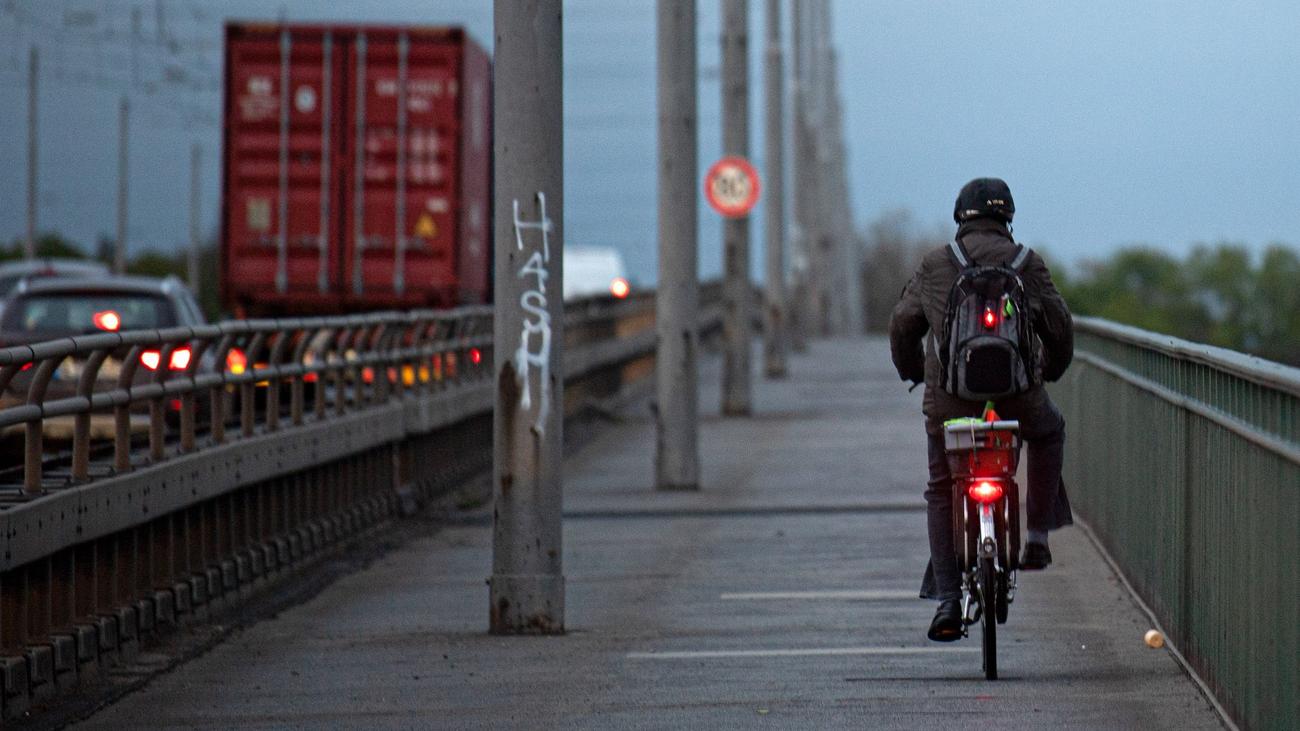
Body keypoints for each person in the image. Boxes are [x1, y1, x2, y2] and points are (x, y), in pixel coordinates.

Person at [888, 177, 1075, 642]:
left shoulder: (936, 264)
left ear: (961, 217)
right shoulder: (1026, 263)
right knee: (1049, 430)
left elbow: (903, 324)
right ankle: (1037, 537)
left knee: (941, 486)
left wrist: (915, 371)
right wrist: (1047, 371)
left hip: (949, 401)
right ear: (1007, 217)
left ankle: (949, 602)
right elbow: (1060, 328)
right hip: (1018, 397)